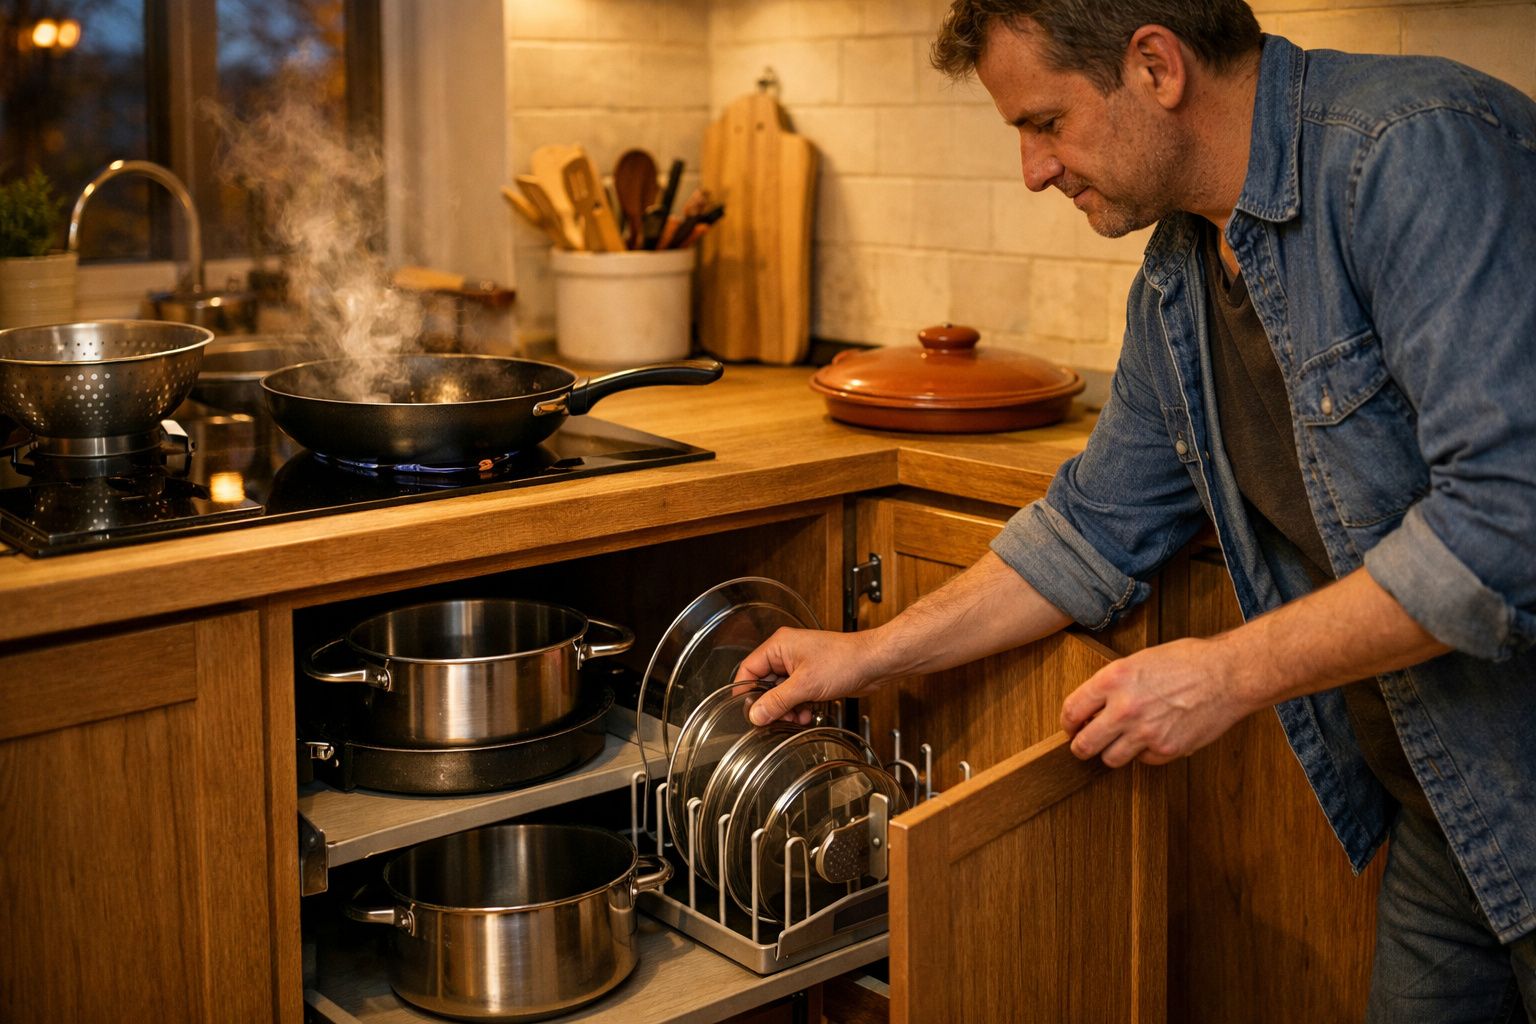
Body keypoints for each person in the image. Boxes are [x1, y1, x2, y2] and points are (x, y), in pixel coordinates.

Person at [736, 1, 1536, 1018]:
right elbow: (1090, 528)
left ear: (1155, 67)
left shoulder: (1411, 153)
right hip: (1448, 811)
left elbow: (1507, 528)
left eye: (1043, 123)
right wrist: (872, 650)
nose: (1032, 170)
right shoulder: (1183, 271)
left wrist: (1228, 673)